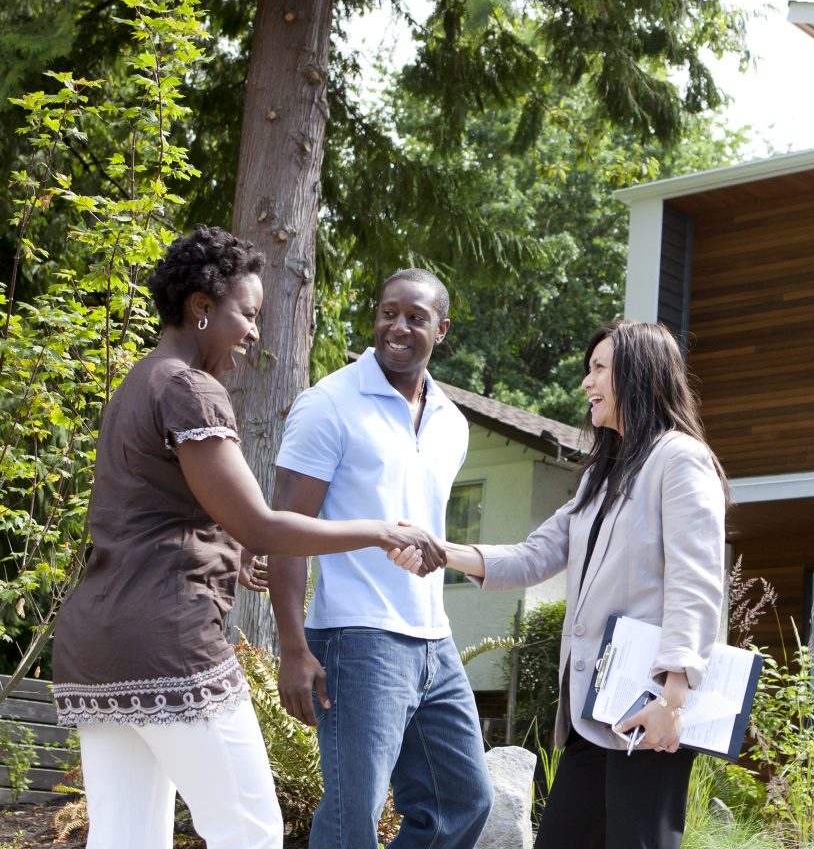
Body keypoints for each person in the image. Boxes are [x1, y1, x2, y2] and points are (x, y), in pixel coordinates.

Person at [50, 225, 446, 849]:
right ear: (201, 307)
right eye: (248, 313)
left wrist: (228, 549)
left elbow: (152, 510)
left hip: (97, 647)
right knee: (252, 832)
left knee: (125, 838)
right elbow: (261, 523)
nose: (256, 332)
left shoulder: (139, 382)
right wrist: (378, 530)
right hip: (168, 642)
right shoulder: (190, 389)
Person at [396, 320, 728, 849]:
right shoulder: (605, 474)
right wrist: (440, 551)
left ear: (637, 375)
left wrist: (673, 700)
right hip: (592, 712)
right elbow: (534, 555)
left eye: (598, 368)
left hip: (648, 709)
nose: (585, 383)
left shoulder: (680, 459)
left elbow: (696, 580)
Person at [269, 268, 492, 849]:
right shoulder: (329, 404)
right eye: (388, 312)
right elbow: (285, 532)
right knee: (353, 817)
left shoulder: (454, 423)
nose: (397, 326)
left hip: (432, 639)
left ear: (440, 330)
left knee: (463, 800)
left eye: (415, 318)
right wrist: (293, 648)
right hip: (354, 635)